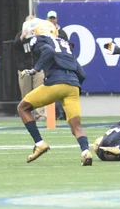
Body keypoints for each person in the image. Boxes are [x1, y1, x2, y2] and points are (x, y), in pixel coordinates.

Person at [17, 20, 92, 166]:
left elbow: (48, 52)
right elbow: (82, 74)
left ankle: (39, 143)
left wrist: (35, 69)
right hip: (73, 86)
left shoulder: (38, 39)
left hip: (56, 83)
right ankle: (86, 152)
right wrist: (73, 88)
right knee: (76, 126)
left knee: (23, 107)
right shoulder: (64, 44)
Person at [14, 16, 46, 122]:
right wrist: (22, 36)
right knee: (26, 93)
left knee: (39, 91)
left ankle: (40, 114)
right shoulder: (20, 35)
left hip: (37, 67)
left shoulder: (39, 35)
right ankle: (26, 113)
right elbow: (15, 46)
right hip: (24, 68)